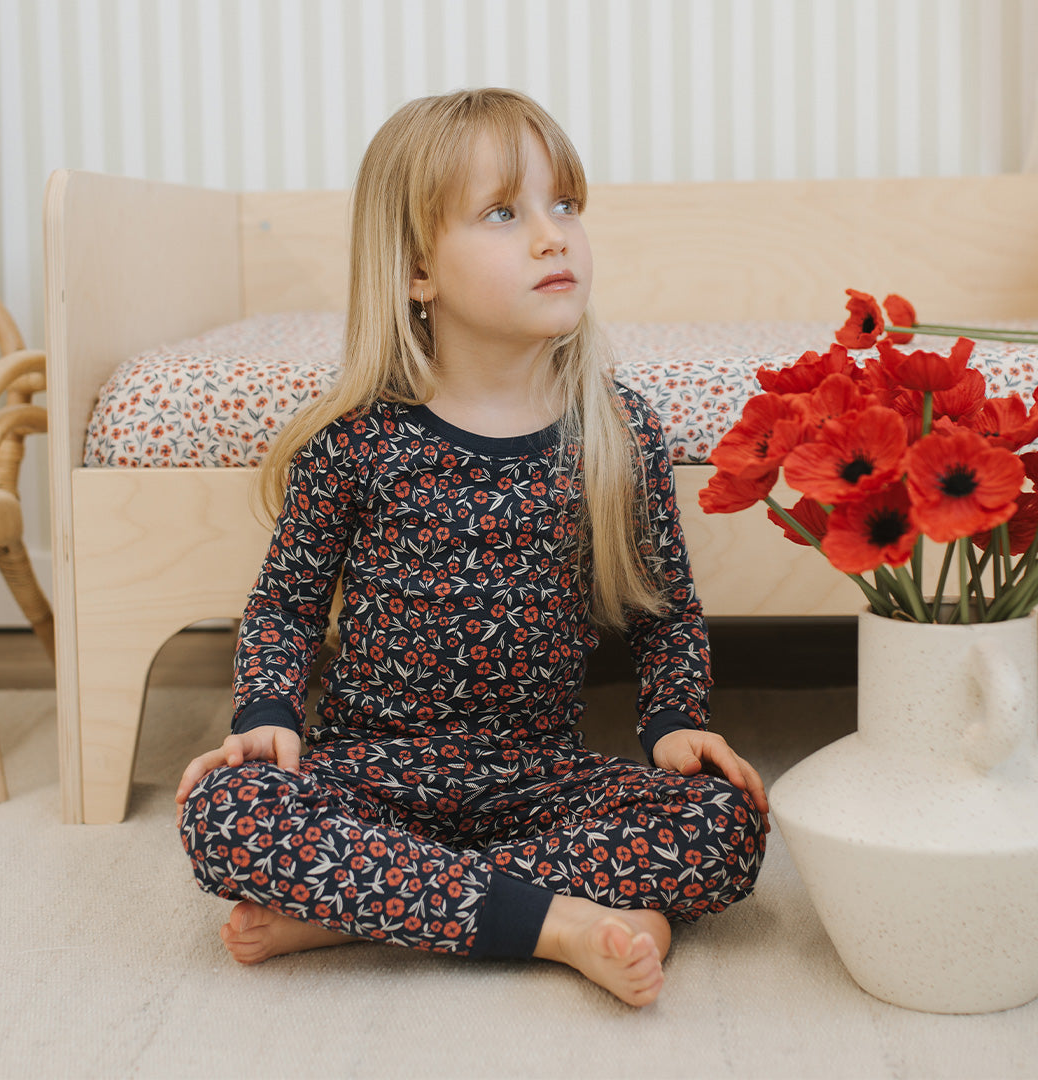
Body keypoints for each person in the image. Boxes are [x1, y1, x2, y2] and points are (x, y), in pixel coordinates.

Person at [176, 87, 768, 1009]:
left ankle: (361, 909)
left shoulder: (616, 431)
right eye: (503, 213)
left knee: (723, 822)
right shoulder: (357, 439)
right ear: (419, 270)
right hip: (372, 772)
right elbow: (286, 604)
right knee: (225, 813)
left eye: (564, 204)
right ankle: (561, 923)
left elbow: (664, 613)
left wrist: (674, 722)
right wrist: (266, 711)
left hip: (540, 775)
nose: (552, 236)